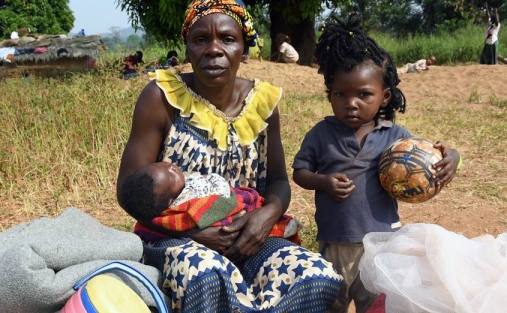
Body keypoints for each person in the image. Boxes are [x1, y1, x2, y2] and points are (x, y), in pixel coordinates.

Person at [116, 0, 343, 312]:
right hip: (173, 239)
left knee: (316, 275)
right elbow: (130, 192)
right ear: (187, 50)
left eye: (227, 39)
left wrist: (267, 215)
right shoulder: (160, 97)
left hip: (248, 235)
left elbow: (278, 181)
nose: (213, 49)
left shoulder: (263, 103)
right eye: (200, 40)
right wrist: (196, 233)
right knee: (206, 274)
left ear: (244, 50)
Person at [291, 14, 461, 313]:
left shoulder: (395, 137)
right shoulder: (321, 134)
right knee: (333, 303)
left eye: (363, 95)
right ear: (330, 94)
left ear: (384, 97)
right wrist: (323, 182)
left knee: (378, 304)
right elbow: (300, 172)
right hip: (336, 242)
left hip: (383, 244)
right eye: (340, 94)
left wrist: (453, 158)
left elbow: (429, 154)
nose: (351, 102)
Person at [120, 162, 302, 243]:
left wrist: (270, 211)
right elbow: (221, 205)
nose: (172, 167)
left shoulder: (180, 187)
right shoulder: (186, 203)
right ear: (169, 200)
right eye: (170, 175)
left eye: (164, 164)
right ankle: (282, 227)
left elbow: (280, 179)